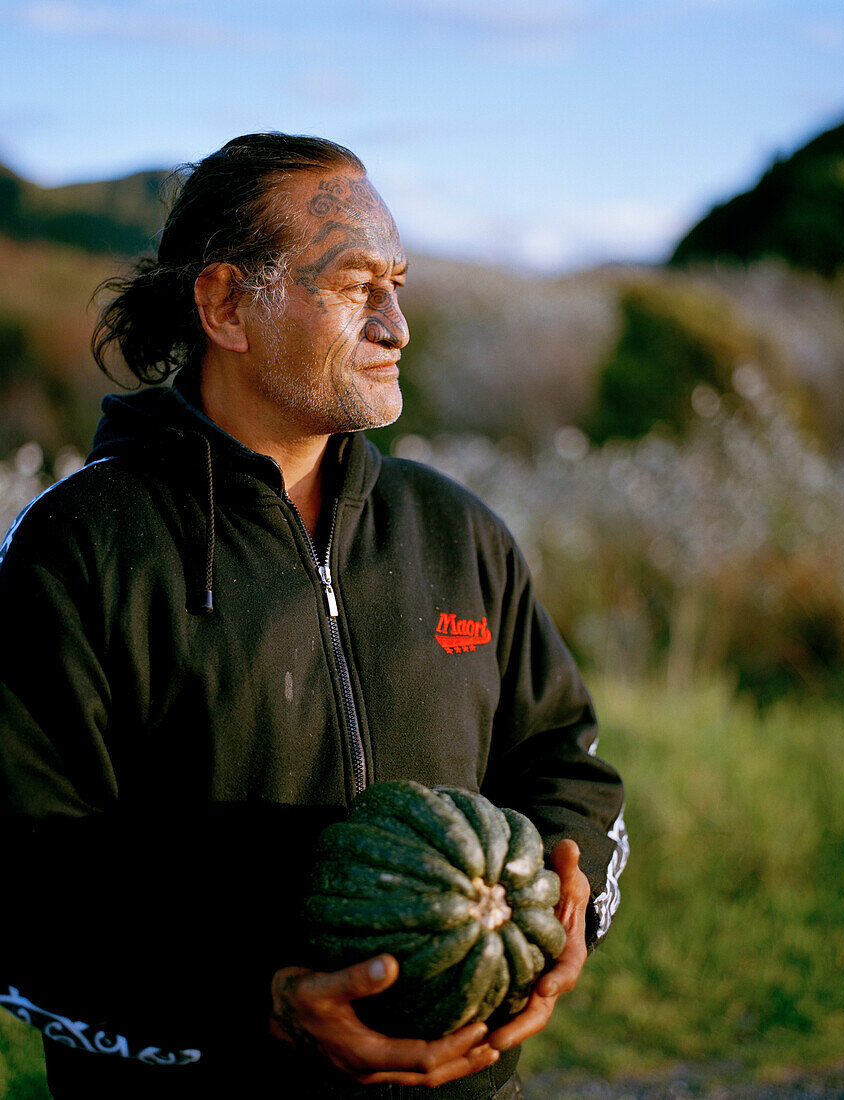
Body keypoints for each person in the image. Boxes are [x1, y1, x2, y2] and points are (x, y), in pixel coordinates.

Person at [0, 133, 627, 1099]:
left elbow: (562, 759)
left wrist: (560, 903)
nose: (398, 326)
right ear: (224, 307)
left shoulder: (456, 532)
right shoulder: (77, 548)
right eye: (354, 285)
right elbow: (24, 876)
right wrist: (256, 1006)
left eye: (400, 284)